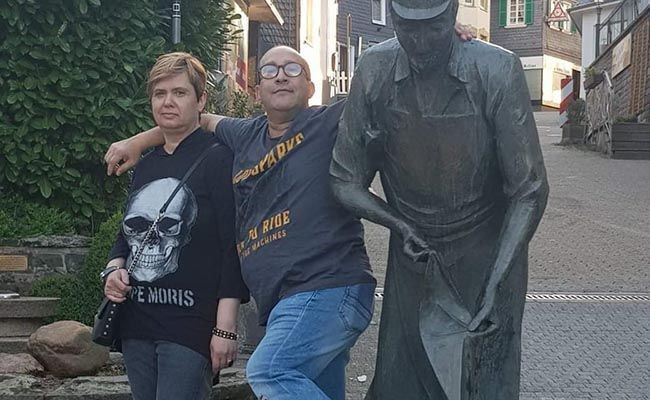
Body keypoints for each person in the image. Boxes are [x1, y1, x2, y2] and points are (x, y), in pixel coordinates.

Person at [103, 27, 472, 400]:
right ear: (256, 91)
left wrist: (433, 35)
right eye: (270, 70)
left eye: (293, 69)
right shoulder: (243, 134)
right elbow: (189, 120)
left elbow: (386, 83)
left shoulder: (329, 122)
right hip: (281, 302)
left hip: (326, 288)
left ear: (310, 88)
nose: (280, 75)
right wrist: (137, 142)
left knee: (270, 371)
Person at [329, 0, 549, 399]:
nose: (421, 42)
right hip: (414, 255)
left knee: (480, 383)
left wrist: (498, 280)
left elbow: (529, 189)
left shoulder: (497, 69)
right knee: (401, 383)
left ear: (452, 16)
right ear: (393, 20)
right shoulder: (374, 68)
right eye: (408, 29)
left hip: (489, 253)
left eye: (434, 27)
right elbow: (344, 179)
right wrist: (398, 224)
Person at [101, 52, 249, 400]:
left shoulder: (219, 159)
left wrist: (225, 326)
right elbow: (127, 236)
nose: (168, 102)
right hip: (137, 321)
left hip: (190, 325)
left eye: (179, 92)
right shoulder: (146, 164)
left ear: (201, 100)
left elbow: (233, 246)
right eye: (160, 93)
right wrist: (112, 269)